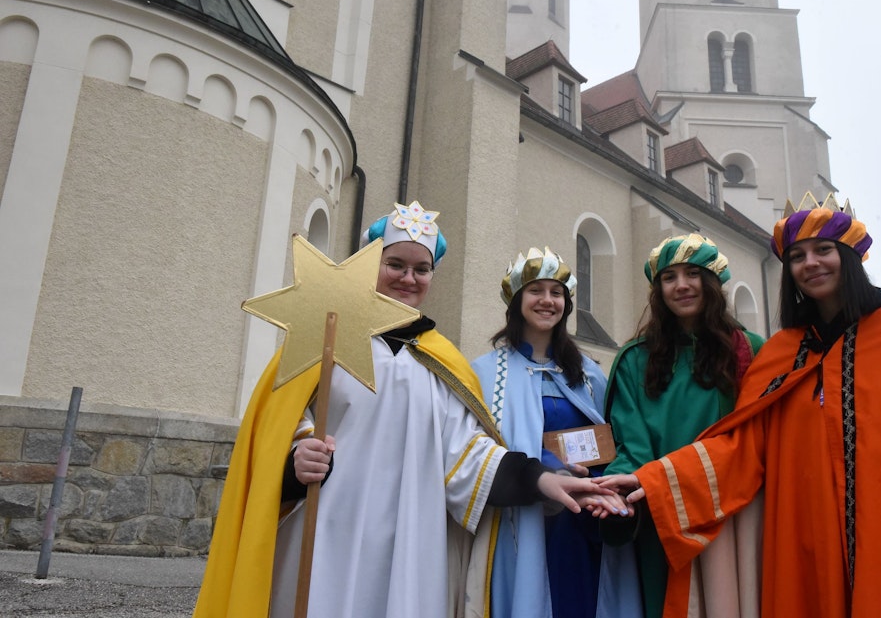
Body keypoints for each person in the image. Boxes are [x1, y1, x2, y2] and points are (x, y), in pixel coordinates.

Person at [194, 202, 615, 618]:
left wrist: (541, 480)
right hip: (327, 531)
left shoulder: (440, 359)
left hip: (410, 541)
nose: (408, 278)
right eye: (395, 264)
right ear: (370, 264)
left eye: (421, 269)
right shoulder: (323, 340)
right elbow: (277, 426)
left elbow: (467, 456)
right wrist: (296, 456)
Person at [598, 193, 881, 617]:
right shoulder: (782, 353)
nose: (811, 263)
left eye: (823, 250)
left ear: (849, 256)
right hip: (809, 542)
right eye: (797, 256)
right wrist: (651, 481)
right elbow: (744, 446)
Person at [600, 233, 765, 618]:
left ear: (712, 282)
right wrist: (614, 489)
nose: (681, 285)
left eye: (693, 274)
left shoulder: (750, 350)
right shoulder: (633, 360)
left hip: (732, 510)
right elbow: (632, 444)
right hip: (662, 513)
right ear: (658, 290)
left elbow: (758, 435)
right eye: (669, 277)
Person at [471, 247, 641, 618]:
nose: (547, 300)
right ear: (516, 300)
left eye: (557, 292)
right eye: (536, 290)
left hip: (584, 520)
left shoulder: (590, 373)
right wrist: (550, 467)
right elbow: (482, 451)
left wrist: (604, 486)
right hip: (525, 517)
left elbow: (610, 440)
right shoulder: (485, 374)